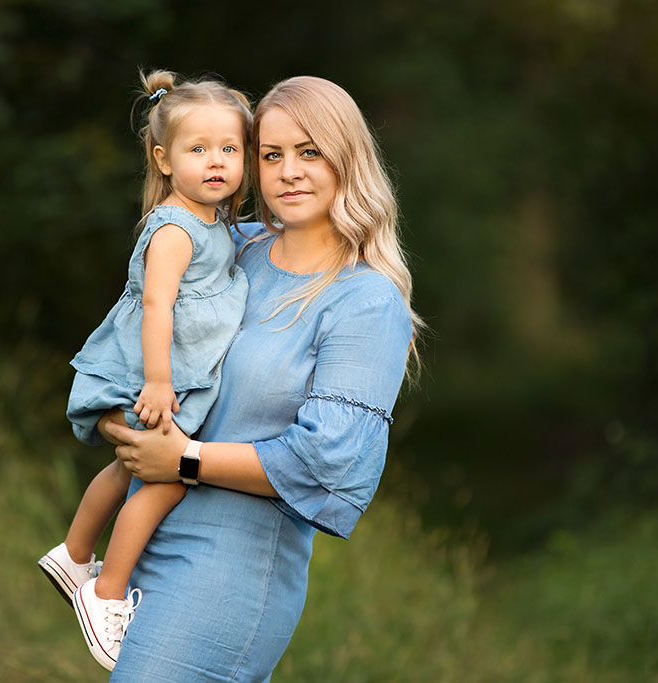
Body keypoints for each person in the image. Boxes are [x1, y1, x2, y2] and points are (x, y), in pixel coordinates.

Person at [96, 75, 423, 681]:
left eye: (310, 152)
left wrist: (186, 458)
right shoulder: (232, 248)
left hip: (232, 571)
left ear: (347, 160)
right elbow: (136, 340)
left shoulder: (364, 301)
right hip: (147, 544)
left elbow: (326, 457)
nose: (289, 171)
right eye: (271, 155)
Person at [37, 69, 252, 671]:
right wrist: (157, 380)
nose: (216, 162)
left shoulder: (216, 224)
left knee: (128, 464)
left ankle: (75, 553)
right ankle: (105, 593)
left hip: (164, 374)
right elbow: (157, 305)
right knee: (164, 479)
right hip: (150, 373)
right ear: (163, 160)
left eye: (230, 149)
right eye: (198, 149)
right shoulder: (177, 229)